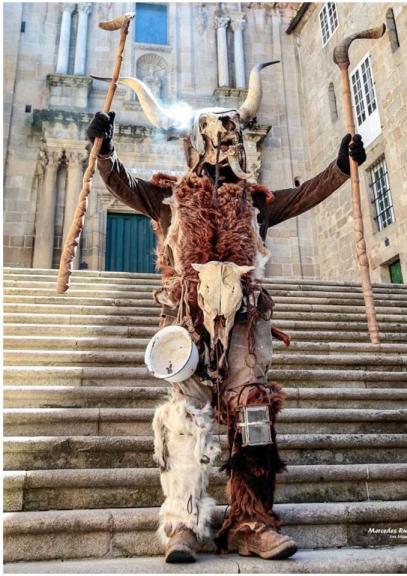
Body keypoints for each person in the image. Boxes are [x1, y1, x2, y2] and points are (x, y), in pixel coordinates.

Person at [86, 63, 366, 562]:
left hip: (243, 323)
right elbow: (124, 186)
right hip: (188, 323)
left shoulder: (255, 202)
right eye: (218, 135)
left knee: (253, 410)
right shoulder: (169, 197)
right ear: (197, 142)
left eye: (232, 135)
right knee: (186, 417)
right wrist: (104, 152)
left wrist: (342, 165)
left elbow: (302, 196)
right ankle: (182, 524)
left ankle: (250, 522)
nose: (227, 145)